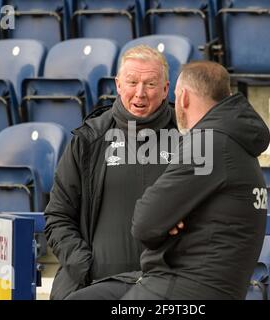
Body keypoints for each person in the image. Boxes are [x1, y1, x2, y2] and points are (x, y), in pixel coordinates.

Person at [66, 61, 270, 300]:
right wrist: (169, 218)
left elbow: (144, 222)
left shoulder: (208, 143)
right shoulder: (231, 140)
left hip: (184, 288)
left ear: (182, 97)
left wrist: (167, 220)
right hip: (176, 279)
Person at [44, 45, 177, 300]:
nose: (140, 93)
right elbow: (58, 216)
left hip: (165, 292)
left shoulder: (188, 140)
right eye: (132, 82)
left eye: (150, 84)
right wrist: (85, 267)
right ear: (118, 84)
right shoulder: (89, 139)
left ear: (165, 89)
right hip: (93, 288)